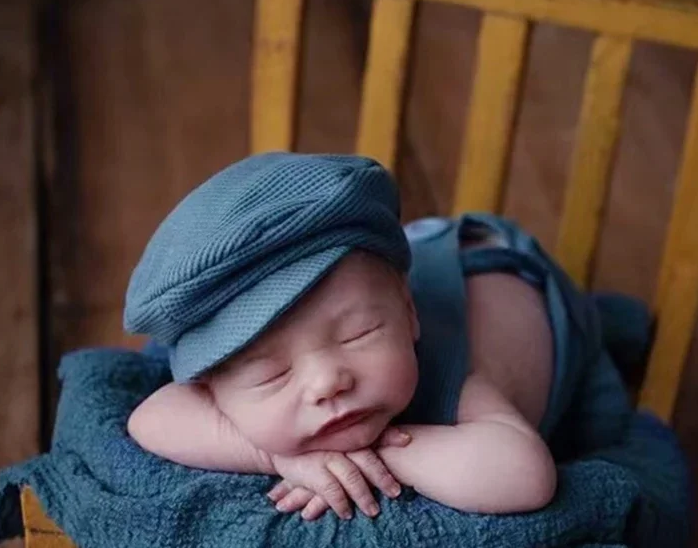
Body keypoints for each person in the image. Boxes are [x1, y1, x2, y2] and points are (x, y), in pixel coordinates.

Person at [124, 153, 571, 521]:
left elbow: (525, 475)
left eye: (360, 334)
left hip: (505, 270)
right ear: (209, 389)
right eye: (271, 374)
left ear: (408, 314)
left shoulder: (453, 371)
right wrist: (276, 458)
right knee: (356, 285)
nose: (327, 382)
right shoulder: (216, 384)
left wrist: (379, 456)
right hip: (391, 265)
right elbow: (150, 418)